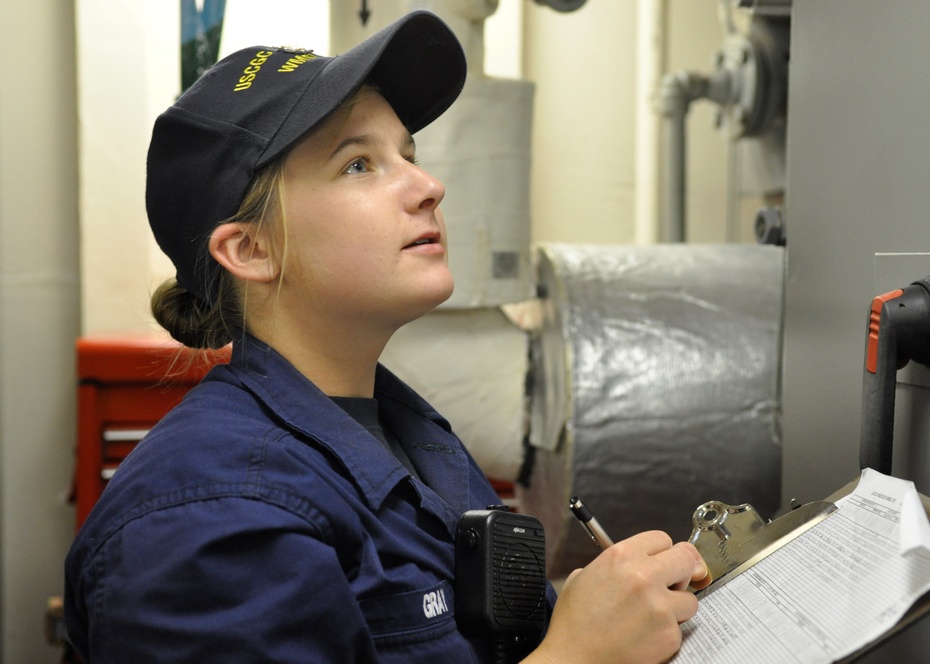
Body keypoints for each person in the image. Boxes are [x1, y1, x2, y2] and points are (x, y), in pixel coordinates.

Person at [63, 11, 708, 663]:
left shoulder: (412, 439)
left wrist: (615, 611)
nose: (429, 186)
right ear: (252, 249)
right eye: (359, 164)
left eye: (408, 154)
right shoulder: (206, 520)